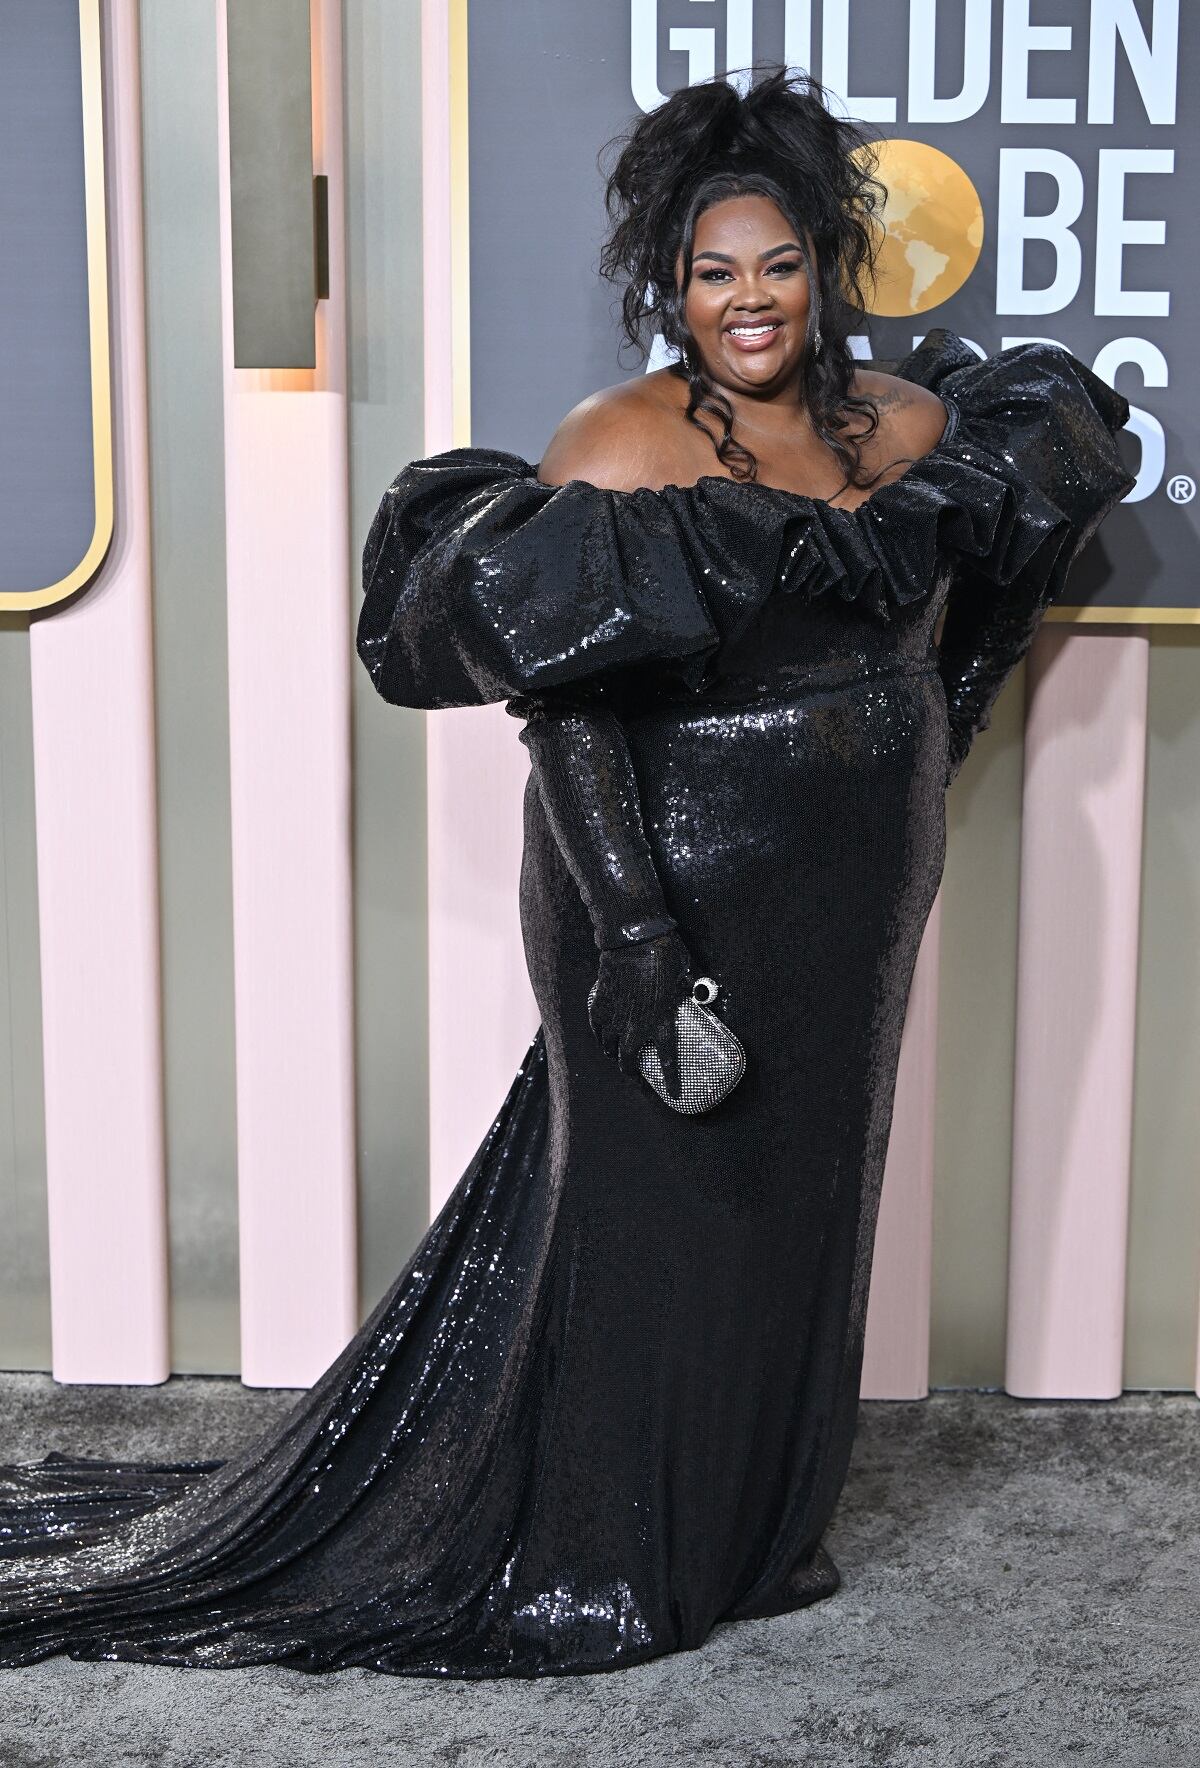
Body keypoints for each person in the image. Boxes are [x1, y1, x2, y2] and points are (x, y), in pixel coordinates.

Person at [0, 67, 1135, 1679]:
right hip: (666, 877)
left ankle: (751, 1532)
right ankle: (619, 1549)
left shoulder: (913, 429)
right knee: (666, 1209)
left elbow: (997, 588)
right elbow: (569, 707)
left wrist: (928, 756)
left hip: (856, 892)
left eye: (776, 263)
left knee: (809, 1208)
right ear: (667, 288)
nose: (746, 300)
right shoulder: (620, 443)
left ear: (827, 259)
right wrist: (640, 954)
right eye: (709, 272)